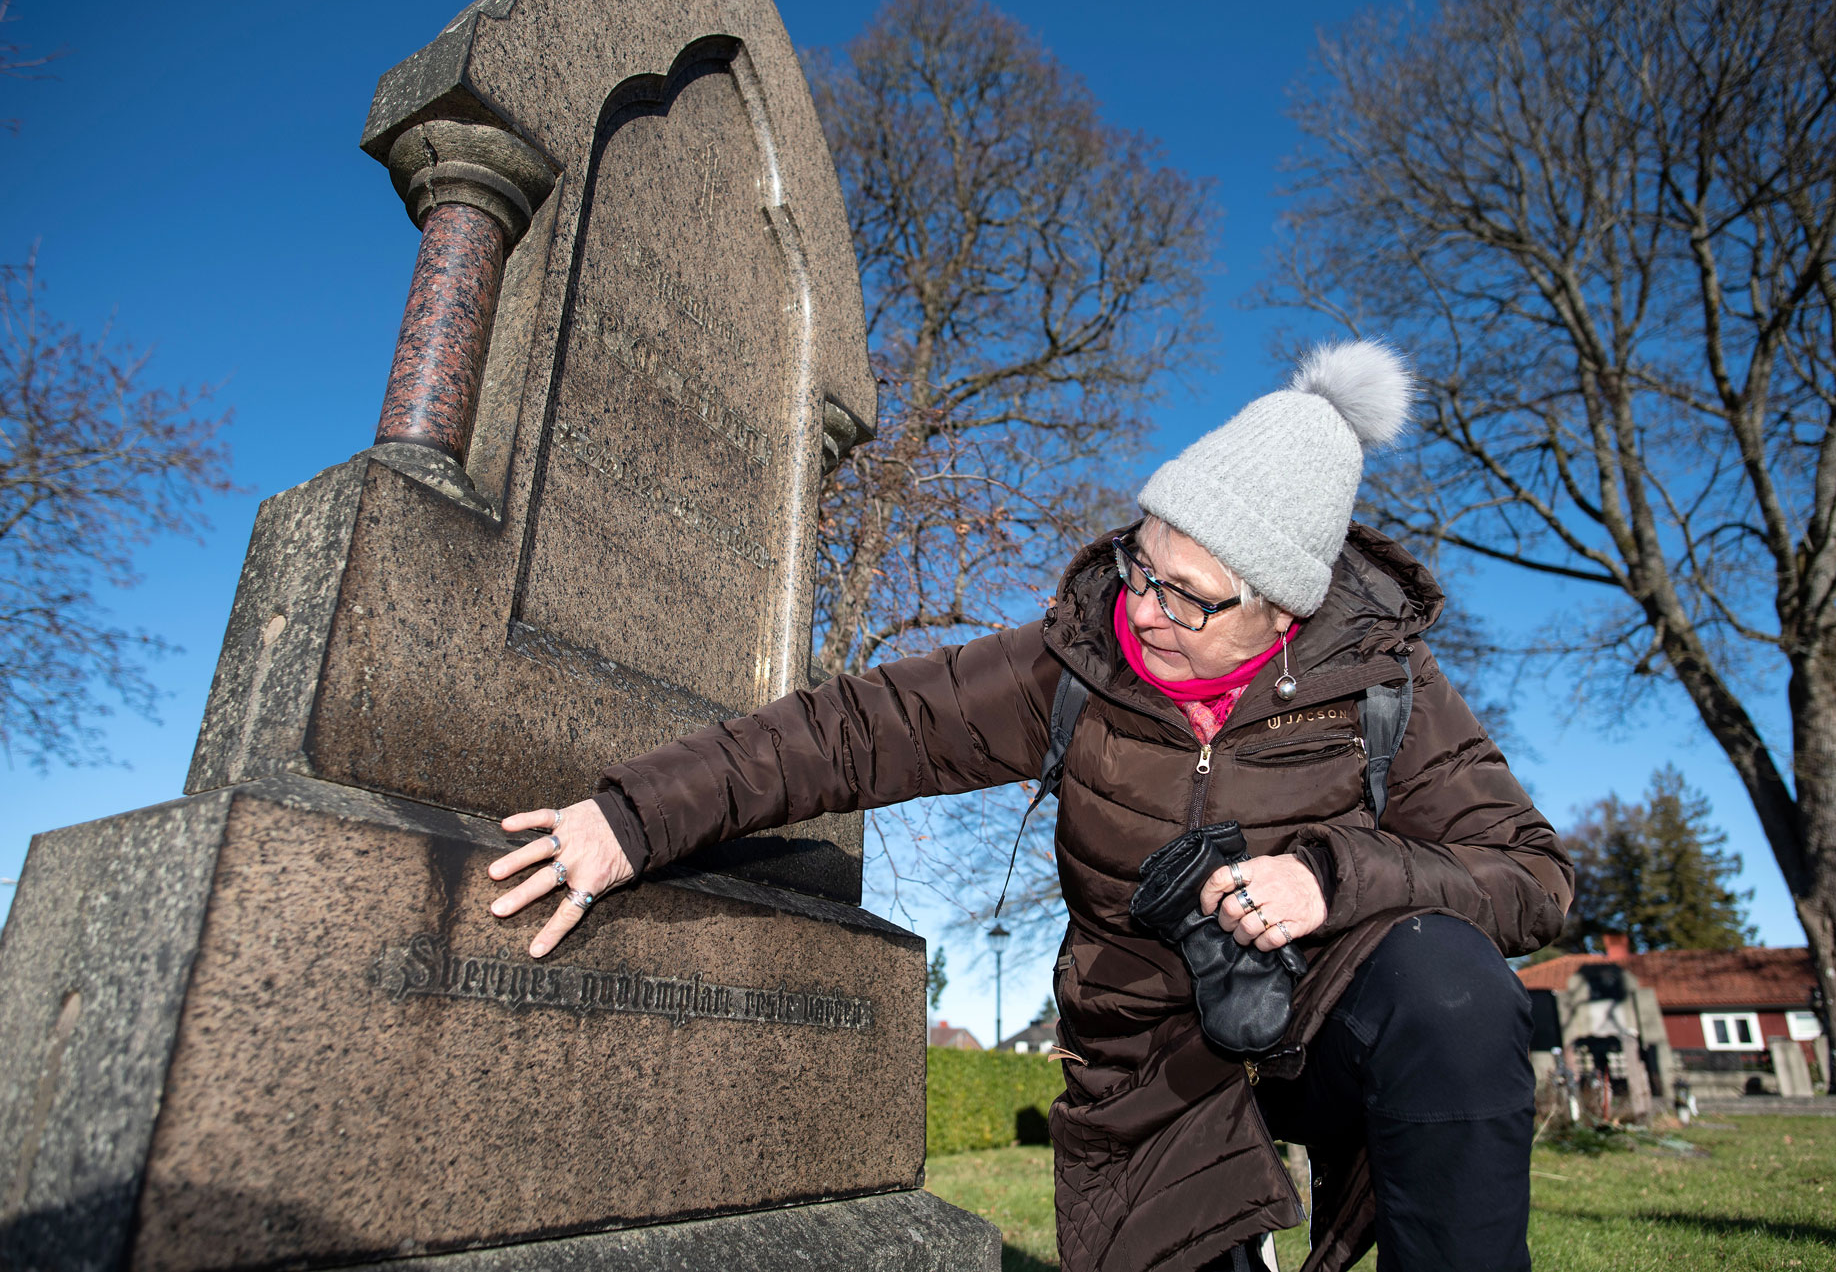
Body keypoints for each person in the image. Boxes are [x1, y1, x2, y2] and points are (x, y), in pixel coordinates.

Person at [487, 341, 1573, 1272]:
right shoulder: (1080, 664)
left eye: (1188, 596)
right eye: (1142, 565)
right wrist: (634, 817)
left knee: (1453, 987)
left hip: (1326, 1023)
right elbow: (857, 730)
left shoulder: (1383, 684)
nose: (1145, 610)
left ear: (1283, 608)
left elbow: (1534, 876)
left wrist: (1336, 879)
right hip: (1155, 1065)